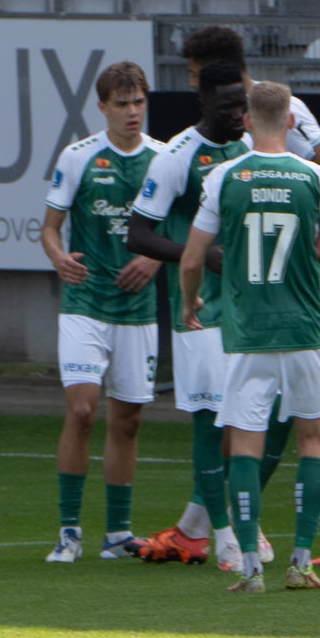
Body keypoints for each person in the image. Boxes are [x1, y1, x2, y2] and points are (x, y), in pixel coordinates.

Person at [176, 26, 320, 569]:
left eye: (198, 74)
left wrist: (316, 249)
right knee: (300, 413)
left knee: (268, 419)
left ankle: (248, 537)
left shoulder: (274, 124)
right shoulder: (238, 136)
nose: (196, 85)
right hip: (284, 299)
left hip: (274, 293)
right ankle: (265, 535)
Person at [125, 61, 253, 570]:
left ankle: (233, 522)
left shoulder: (250, 148)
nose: (240, 113)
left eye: (243, 103)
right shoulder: (178, 156)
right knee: (207, 423)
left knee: (258, 418)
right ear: (202, 102)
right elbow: (138, 234)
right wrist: (197, 256)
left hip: (248, 309)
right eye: (228, 107)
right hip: (198, 309)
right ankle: (221, 535)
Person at [41, 61, 164, 562]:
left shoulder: (164, 159)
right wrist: (57, 256)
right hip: (85, 303)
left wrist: (154, 258)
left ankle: (117, 534)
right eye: (122, 104)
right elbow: (50, 226)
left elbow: (185, 228)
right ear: (102, 107)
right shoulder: (79, 157)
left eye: (139, 102)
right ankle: (69, 531)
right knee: (84, 408)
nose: (132, 112)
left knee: (129, 420)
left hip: (137, 309)